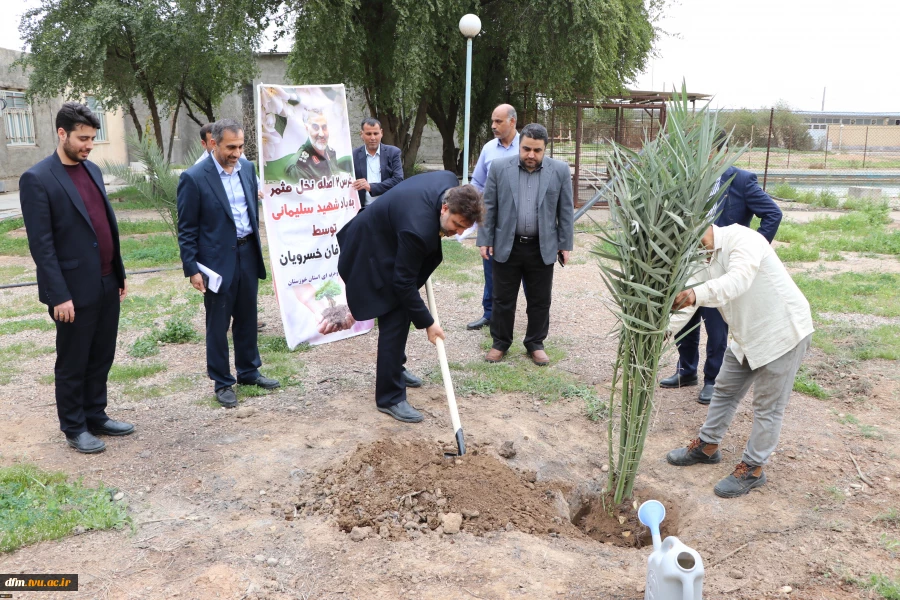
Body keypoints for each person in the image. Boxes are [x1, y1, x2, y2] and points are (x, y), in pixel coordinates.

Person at [665, 223, 813, 498]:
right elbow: (689, 299)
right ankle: (707, 447)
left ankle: (753, 468)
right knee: (724, 390)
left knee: (767, 406)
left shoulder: (743, 239)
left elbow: (738, 280)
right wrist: (665, 330)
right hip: (747, 335)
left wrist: (696, 293)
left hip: (783, 332)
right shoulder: (698, 256)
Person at [19, 102, 133, 454]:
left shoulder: (93, 170)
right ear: (62, 133)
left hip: (105, 281)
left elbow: (103, 226)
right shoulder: (37, 179)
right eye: (83, 138)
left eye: (92, 139)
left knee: (102, 353)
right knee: (73, 359)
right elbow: (42, 245)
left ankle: (96, 414)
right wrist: (58, 295)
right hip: (71, 290)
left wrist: (118, 273)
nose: (88, 145)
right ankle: (74, 426)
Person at [335, 173, 484, 423]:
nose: (457, 232)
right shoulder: (419, 230)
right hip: (370, 248)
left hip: (392, 235)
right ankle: (389, 397)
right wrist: (428, 323)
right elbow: (403, 284)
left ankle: (395, 369)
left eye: (464, 229)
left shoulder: (447, 183)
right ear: (444, 208)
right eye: (456, 225)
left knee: (402, 310)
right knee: (394, 315)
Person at [660, 131, 782, 404]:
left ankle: (712, 381)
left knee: (716, 327)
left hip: (722, 265)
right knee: (687, 319)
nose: (701, 157)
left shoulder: (741, 180)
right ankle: (686, 371)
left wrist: (753, 250)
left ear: (721, 152)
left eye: (707, 151)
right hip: (690, 261)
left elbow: (773, 213)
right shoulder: (689, 180)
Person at [176, 119, 280, 408]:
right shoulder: (194, 177)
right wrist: (192, 268)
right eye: (230, 147)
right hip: (216, 262)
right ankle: (222, 382)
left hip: (247, 253)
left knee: (247, 316)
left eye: (240, 146)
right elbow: (186, 228)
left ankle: (249, 371)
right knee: (218, 322)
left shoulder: (247, 169)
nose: (236, 153)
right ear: (213, 144)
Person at [477, 123, 574, 366]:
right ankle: (500, 343)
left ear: (545, 150)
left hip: (541, 246)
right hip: (506, 245)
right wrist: (485, 239)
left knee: (540, 299)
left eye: (537, 151)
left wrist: (565, 244)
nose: (531, 155)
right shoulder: (500, 168)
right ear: (520, 145)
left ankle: (535, 343)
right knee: (502, 299)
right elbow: (488, 206)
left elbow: (565, 210)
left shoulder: (560, 170)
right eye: (526, 149)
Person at [466, 104, 520, 331]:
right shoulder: (489, 148)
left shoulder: (527, 146)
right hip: (492, 219)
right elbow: (477, 182)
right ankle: (490, 313)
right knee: (491, 267)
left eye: (498, 121)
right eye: (492, 121)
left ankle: (529, 317)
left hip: (521, 219)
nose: (493, 126)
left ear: (512, 121)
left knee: (527, 270)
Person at [284, 110, 353, 182]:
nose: (321, 134)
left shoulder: (331, 152)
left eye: (324, 127)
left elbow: (334, 179)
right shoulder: (298, 165)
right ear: (307, 129)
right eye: (315, 127)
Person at [351, 117, 404, 209]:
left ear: (381, 133)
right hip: (362, 209)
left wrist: (371, 187)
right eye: (368, 134)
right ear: (361, 134)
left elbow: (398, 179)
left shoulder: (393, 153)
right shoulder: (353, 155)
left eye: (376, 133)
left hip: (387, 206)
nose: (372, 138)